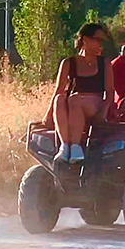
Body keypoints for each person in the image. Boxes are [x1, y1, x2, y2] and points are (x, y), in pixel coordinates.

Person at [43, 23, 114, 162]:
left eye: (102, 41)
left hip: (94, 103)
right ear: (86, 40)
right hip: (73, 103)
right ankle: (65, 146)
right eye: (98, 40)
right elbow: (59, 89)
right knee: (60, 99)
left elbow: (110, 91)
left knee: (74, 100)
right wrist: (48, 114)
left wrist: (104, 110)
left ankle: (75, 147)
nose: (101, 44)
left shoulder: (104, 63)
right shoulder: (69, 63)